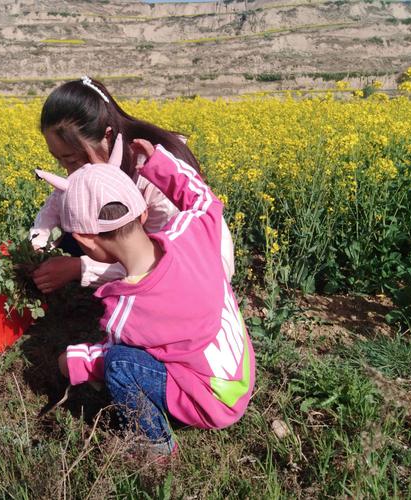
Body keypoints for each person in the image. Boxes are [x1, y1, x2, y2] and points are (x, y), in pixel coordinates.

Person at [35, 134, 255, 456]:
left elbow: (109, 357)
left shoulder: (127, 308)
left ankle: (155, 442)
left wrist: (74, 361)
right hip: (239, 376)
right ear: (141, 214)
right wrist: (160, 164)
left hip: (212, 403)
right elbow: (204, 200)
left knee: (119, 364)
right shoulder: (191, 231)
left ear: (85, 240)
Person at [30, 76, 235, 293]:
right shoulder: (93, 168)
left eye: (72, 160)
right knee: (72, 226)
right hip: (141, 249)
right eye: (58, 160)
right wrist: (37, 243)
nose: (69, 172)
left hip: (195, 275)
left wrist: (79, 269)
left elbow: (159, 262)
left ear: (107, 137)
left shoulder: (152, 172)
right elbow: (57, 203)